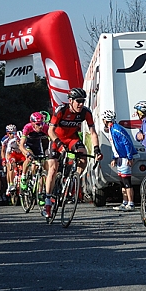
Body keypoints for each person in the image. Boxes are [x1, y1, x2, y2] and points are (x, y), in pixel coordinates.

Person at [46, 87, 103, 217]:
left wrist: (96, 149)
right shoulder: (61, 110)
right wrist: (59, 145)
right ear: (70, 101)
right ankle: (48, 200)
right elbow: (50, 131)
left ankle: (73, 180)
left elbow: (93, 133)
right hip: (57, 139)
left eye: (83, 101)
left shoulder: (85, 112)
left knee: (83, 156)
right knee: (53, 168)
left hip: (72, 139)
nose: (81, 104)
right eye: (78, 101)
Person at [103, 109, 139, 211]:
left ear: (106, 120)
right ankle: (124, 202)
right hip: (119, 157)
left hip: (125, 158)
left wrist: (129, 157)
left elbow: (127, 142)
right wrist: (114, 158)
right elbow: (115, 146)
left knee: (127, 181)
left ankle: (131, 203)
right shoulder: (111, 129)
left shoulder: (116, 129)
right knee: (122, 181)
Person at [19, 112, 53, 191]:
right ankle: (23, 177)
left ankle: (40, 192)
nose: (41, 126)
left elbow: (51, 140)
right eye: (38, 124)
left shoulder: (45, 127)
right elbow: (21, 145)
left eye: (42, 123)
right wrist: (27, 153)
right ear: (33, 124)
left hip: (37, 146)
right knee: (29, 158)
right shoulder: (27, 128)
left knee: (43, 165)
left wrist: (51, 152)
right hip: (28, 145)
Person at [1, 124, 25, 196]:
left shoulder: (20, 138)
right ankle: (10, 184)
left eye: (13, 133)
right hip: (12, 154)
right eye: (10, 133)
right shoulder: (6, 140)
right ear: (7, 133)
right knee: (10, 165)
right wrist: (4, 160)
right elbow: (4, 152)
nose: (12, 135)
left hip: (21, 154)